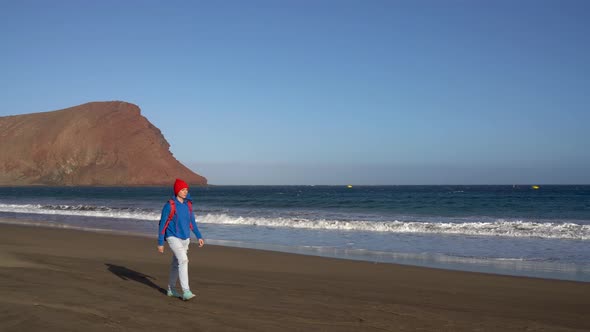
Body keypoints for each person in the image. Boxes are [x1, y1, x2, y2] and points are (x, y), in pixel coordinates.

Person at [157, 178, 205, 301]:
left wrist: (199, 236)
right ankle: (186, 291)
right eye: (182, 189)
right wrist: (160, 242)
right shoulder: (169, 205)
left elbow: (192, 222)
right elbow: (162, 224)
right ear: (177, 190)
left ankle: (171, 289)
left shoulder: (188, 205)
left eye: (186, 189)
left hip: (185, 238)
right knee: (183, 260)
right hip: (172, 236)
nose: (185, 192)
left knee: (176, 264)